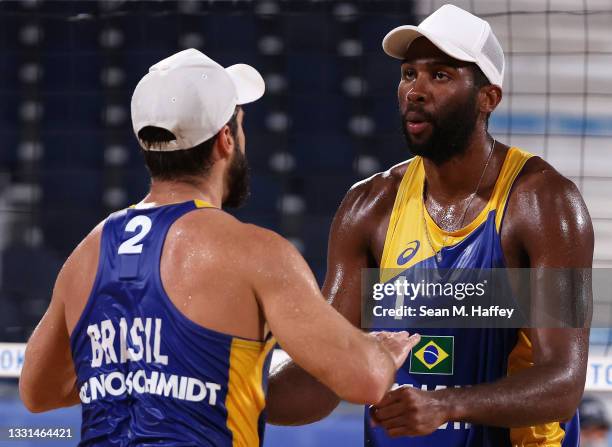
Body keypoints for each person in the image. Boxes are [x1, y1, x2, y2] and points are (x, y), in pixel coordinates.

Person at [18, 49, 420, 446]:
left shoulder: (88, 253)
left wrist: (139, 374)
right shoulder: (253, 252)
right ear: (226, 140)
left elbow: (38, 392)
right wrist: (380, 352)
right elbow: (364, 379)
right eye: (240, 126)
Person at [266, 4, 593, 446]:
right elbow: (325, 376)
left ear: (487, 97)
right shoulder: (369, 206)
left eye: (440, 75)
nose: (415, 91)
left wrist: (446, 404)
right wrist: (237, 390)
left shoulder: (545, 203)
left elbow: (564, 383)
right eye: (408, 74)